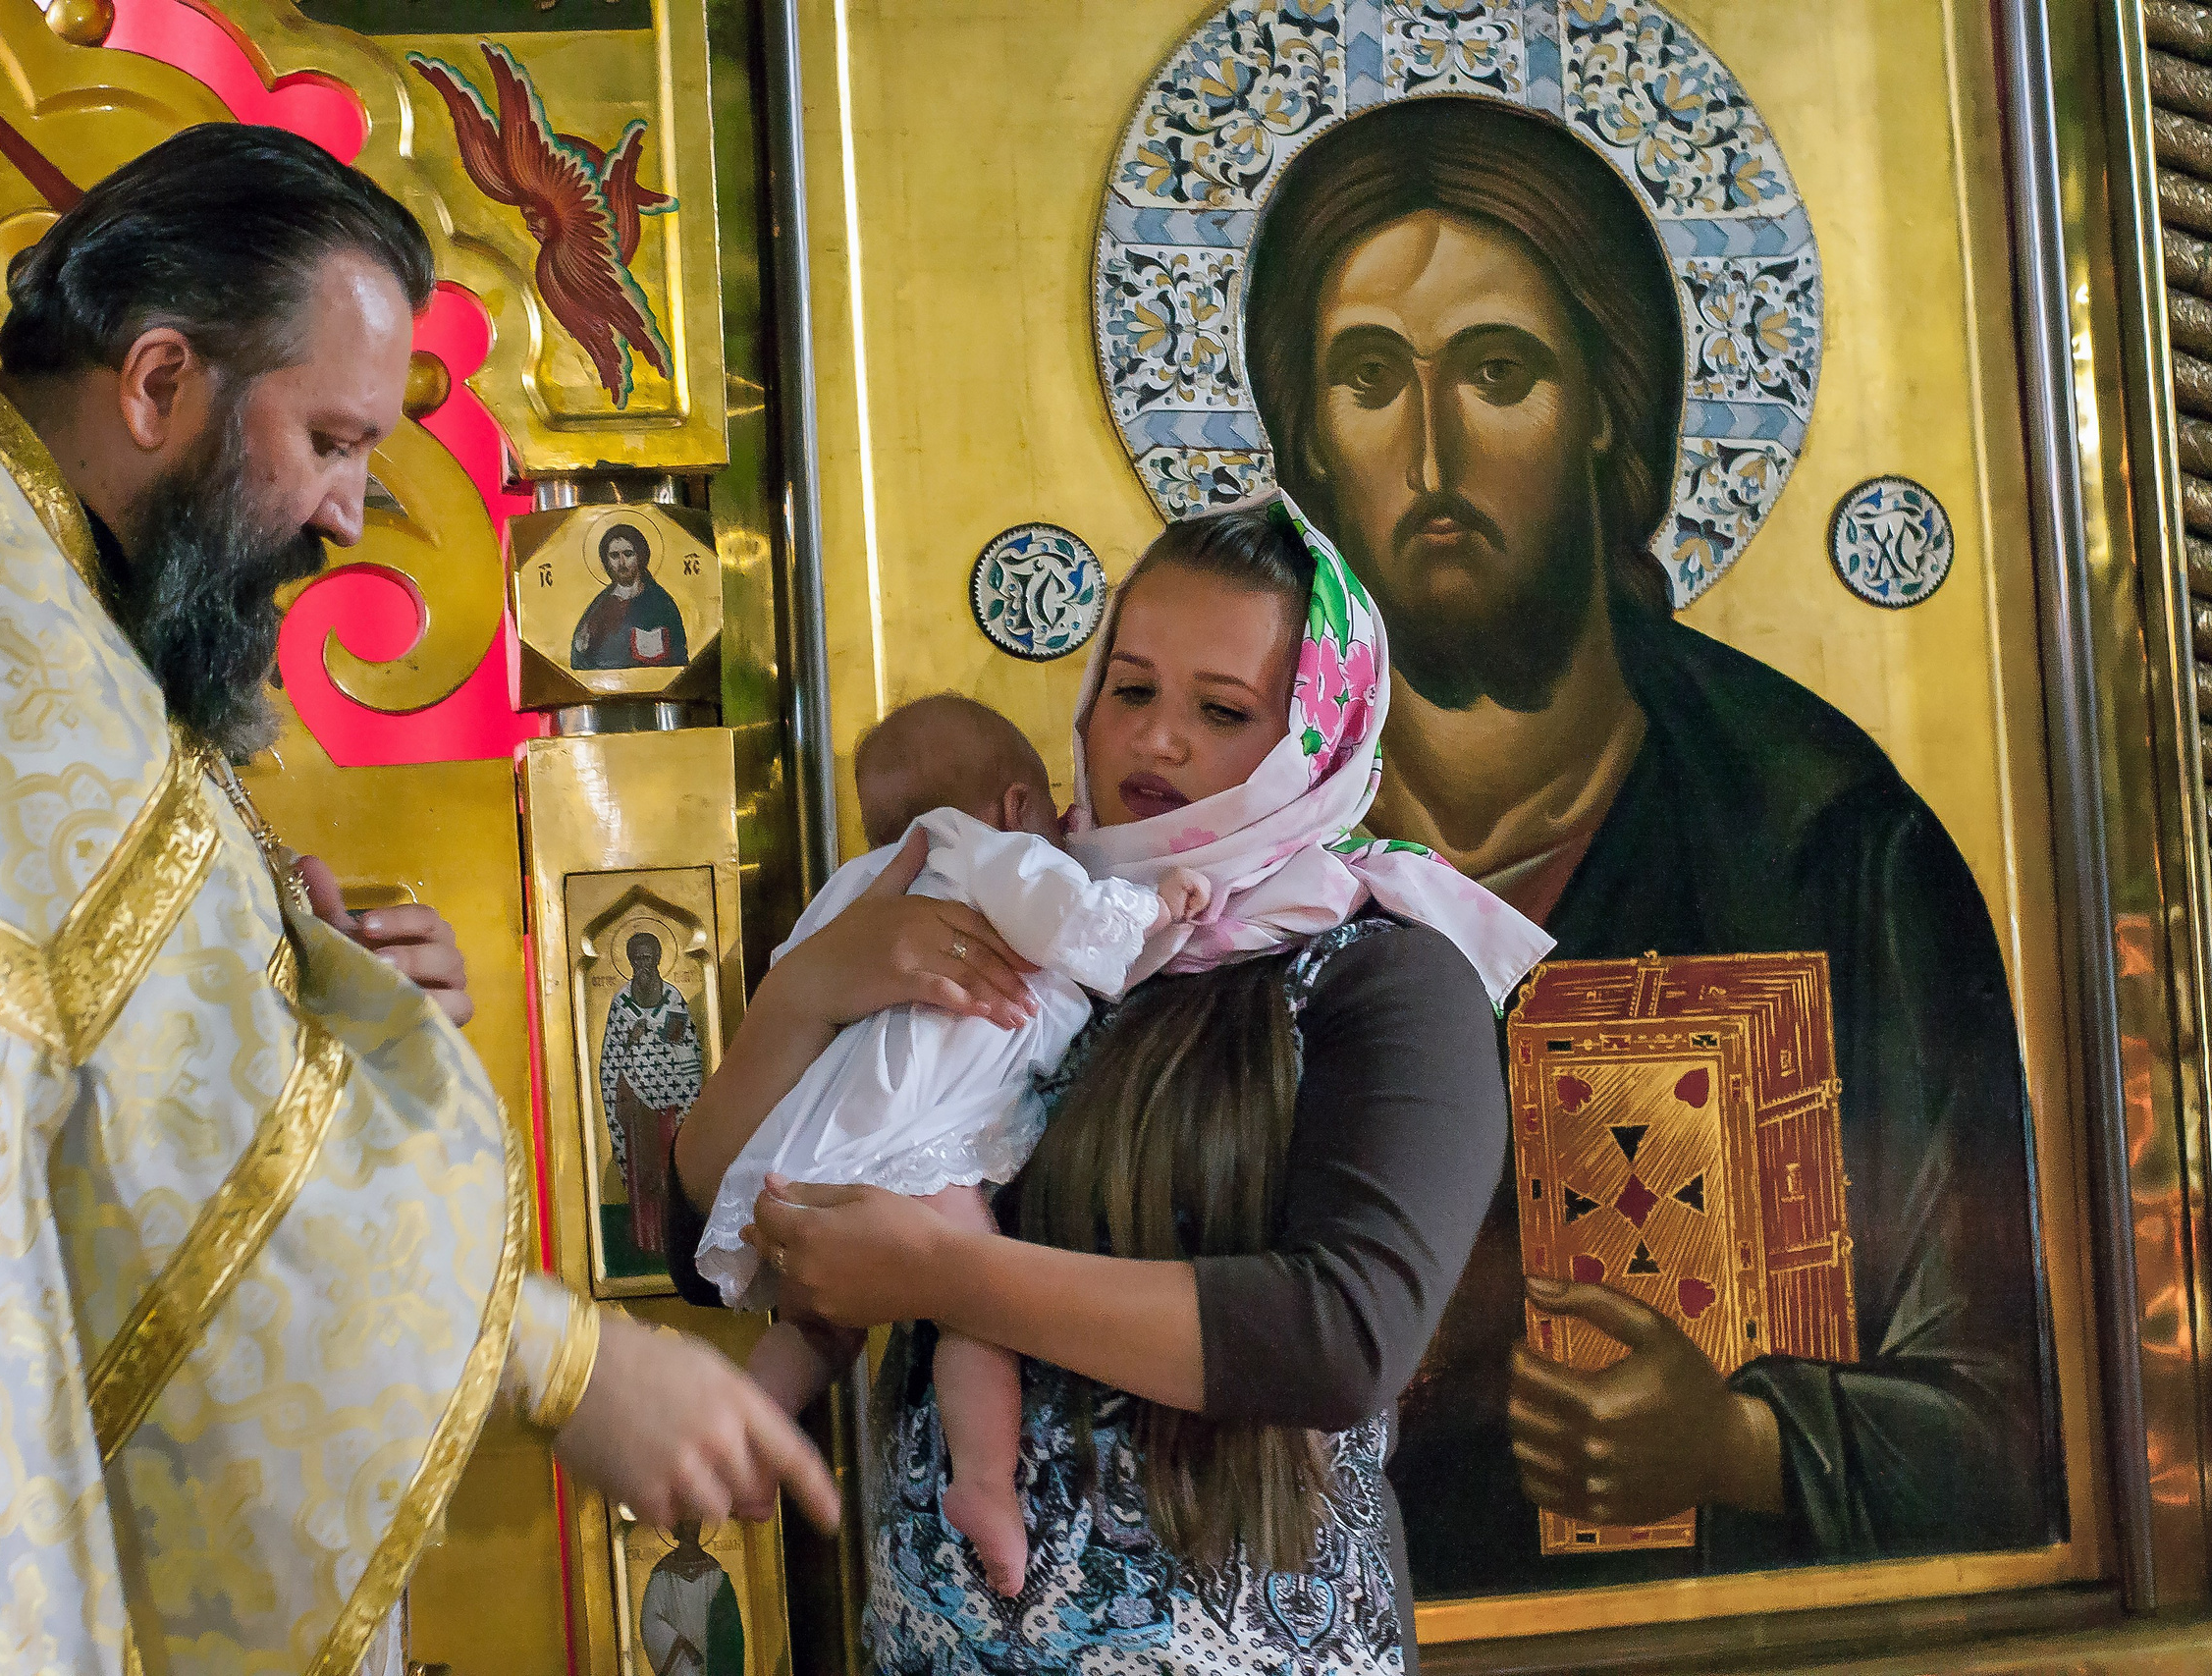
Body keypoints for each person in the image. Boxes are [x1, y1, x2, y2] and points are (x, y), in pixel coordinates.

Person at [0, 123, 831, 1674]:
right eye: (336, 440)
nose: (355, 513)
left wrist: (317, 993)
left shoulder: (3, 599)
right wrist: (574, 1361)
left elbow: (137, 1064)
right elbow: (179, 1146)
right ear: (160, 382)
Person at [1239, 96, 2057, 1590]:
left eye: (1498, 372)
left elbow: (2024, 1431)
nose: (1429, 451)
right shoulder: (1232, 856)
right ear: (1304, 433)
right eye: (1368, 379)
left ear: (1611, 403)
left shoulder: (1827, 845)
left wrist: (1738, 1443)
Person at [670, 500, 1548, 1672]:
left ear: (1315, 737)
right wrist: (808, 995)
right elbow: (713, 1228)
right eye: (1130, 690)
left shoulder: (1382, 971)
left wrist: (945, 1274)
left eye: (1222, 711)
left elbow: (1343, 1335)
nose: (1157, 742)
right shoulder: (1013, 916)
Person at [691, 692, 1211, 1596]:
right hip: (920, 1131)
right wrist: (1161, 906)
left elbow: (793, 973)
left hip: (826, 1133)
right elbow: (1077, 929)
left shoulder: (865, 877)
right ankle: (983, 1484)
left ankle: (751, 1420)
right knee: (972, 1288)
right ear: (1017, 805)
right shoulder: (992, 851)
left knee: (822, 1320)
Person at [600, 930, 704, 1256]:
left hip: (671, 1102)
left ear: (658, 959)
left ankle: (675, 1240)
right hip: (635, 1102)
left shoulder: (673, 999)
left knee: (669, 1170)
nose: (642, 966)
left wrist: (661, 1038)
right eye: (636, 959)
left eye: (647, 958)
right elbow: (611, 1056)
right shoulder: (621, 1002)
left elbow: (686, 1048)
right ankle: (647, 1241)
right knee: (642, 1171)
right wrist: (631, 1038)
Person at [570, 519, 688, 669]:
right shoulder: (600, 605)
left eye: (628, 554)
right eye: (614, 555)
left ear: (640, 556)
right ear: (606, 561)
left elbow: (678, 654)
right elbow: (580, 657)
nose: (621, 562)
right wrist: (581, 646)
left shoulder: (660, 602)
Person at [638, 1522, 745, 1676]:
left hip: (713, 1664)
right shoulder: (662, 1577)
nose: (693, 1528)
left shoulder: (716, 1574)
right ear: (678, 1528)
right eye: (687, 1522)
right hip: (681, 1663)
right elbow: (650, 1621)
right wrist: (682, 1644)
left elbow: (730, 1626)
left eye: (696, 1522)